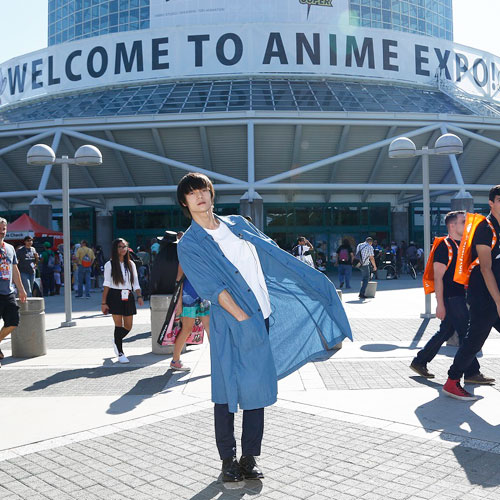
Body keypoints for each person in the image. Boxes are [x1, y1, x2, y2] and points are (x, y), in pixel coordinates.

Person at [176, 172, 351, 483]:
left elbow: (271, 256)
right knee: (226, 389)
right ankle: (227, 459)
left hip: (262, 315)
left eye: (203, 189)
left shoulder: (238, 224)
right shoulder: (190, 243)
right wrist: (243, 319)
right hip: (231, 323)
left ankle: (249, 457)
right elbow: (211, 288)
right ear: (184, 202)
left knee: (256, 388)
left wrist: (306, 280)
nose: (200, 195)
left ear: (211, 193)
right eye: (192, 193)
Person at [443, 187, 500, 400]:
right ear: (491, 203)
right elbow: (485, 268)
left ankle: (456, 378)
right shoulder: (485, 229)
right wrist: (498, 300)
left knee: (473, 340)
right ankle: (452, 381)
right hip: (484, 296)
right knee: (474, 340)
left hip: (496, 294)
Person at [410, 211, 482, 379]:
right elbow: (438, 277)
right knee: (467, 333)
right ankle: (472, 372)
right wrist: (440, 304)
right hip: (451, 297)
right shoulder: (445, 246)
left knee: (445, 331)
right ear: (452, 225)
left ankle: (420, 362)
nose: (466, 225)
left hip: (459, 296)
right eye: (463, 222)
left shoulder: (462, 246)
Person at [101, 238, 144, 363]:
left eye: (124, 246)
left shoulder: (131, 264)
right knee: (118, 325)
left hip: (128, 295)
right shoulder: (109, 264)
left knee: (128, 326)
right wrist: (104, 303)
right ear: (115, 248)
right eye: (120, 247)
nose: (123, 249)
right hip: (114, 295)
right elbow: (106, 284)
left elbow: (135, 283)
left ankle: (116, 340)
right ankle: (120, 352)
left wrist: (139, 296)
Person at [0, 218, 27, 366]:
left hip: (8, 292)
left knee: (13, 322)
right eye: (0, 228)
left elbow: (15, 270)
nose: (2, 231)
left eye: (4, 229)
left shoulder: (10, 248)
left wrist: (21, 290)